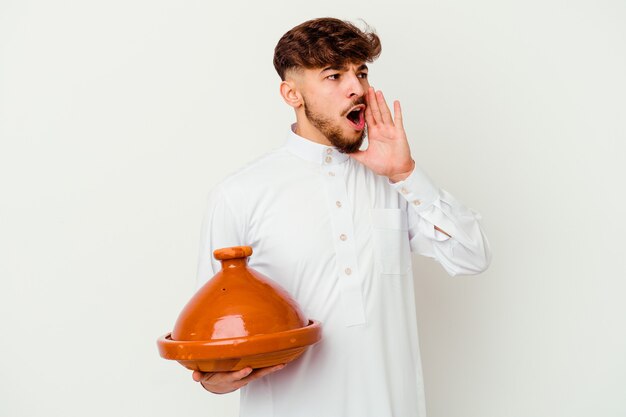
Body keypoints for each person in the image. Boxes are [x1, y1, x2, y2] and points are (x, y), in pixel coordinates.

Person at [191, 17, 491, 417]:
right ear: (291, 94)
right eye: (334, 75)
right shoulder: (239, 194)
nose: (358, 88)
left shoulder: (392, 181)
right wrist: (216, 379)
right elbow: (210, 340)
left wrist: (406, 174)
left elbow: (472, 256)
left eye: (361, 72)